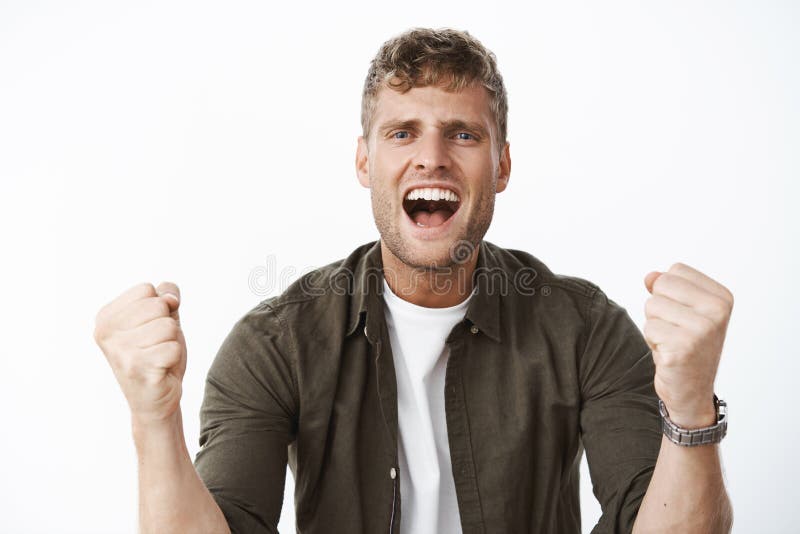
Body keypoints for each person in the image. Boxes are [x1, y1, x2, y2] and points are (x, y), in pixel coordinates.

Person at [93, 27, 734, 534]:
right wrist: (154, 420)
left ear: (502, 165)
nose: (432, 156)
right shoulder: (275, 344)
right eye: (403, 133)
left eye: (463, 133)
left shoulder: (584, 328)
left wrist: (691, 407)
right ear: (365, 162)